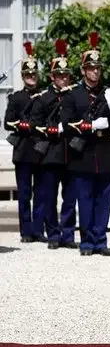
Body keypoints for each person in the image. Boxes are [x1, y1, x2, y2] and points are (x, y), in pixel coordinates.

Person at [60, 32, 110, 256]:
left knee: (104, 201)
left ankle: (101, 241)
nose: (95, 71)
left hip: (104, 155)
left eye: (98, 68)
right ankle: (86, 242)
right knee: (84, 201)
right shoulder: (73, 95)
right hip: (82, 155)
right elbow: (65, 124)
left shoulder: (107, 93)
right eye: (91, 68)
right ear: (84, 70)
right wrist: (91, 125)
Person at [30, 39, 78, 249]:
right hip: (50, 153)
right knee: (49, 198)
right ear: (52, 77)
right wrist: (48, 130)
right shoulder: (43, 98)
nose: (63, 78)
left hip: (72, 153)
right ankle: (53, 234)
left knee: (70, 198)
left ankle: (67, 234)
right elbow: (34, 125)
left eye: (66, 75)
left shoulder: (75, 97)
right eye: (59, 75)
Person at [4, 42, 43, 243]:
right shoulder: (17, 98)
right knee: (25, 193)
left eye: (34, 75)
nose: (31, 78)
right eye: (28, 75)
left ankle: (38, 230)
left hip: (42, 149)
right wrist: (21, 125)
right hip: (23, 150)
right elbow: (7, 124)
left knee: (41, 193)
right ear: (22, 77)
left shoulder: (44, 96)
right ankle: (26, 231)